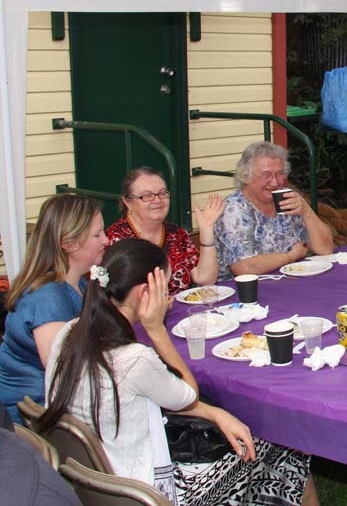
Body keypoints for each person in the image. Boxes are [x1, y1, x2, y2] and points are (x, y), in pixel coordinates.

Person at [41, 239, 318, 506]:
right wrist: (156, 330)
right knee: (285, 447)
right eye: (164, 288)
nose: (169, 296)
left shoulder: (69, 332)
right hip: (151, 491)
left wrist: (213, 412)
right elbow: (187, 395)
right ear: (143, 294)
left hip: (99, 481)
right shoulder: (133, 359)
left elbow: (163, 396)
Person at [0, 194, 108, 424]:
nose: (106, 240)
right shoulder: (48, 298)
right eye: (97, 234)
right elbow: (62, 373)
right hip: (34, 416)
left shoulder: (76, 283)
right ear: (68, 244)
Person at [216, 142, 335, 280]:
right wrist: (290, 257)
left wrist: (306, 212)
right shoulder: (234, 209)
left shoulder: (285, 199)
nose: (274, 182)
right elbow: (244, 268)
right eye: (266, 175)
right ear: (245, 176)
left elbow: (325, 250)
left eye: (280, 174)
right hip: (242, 293)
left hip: (287, 284)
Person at [106, 167, 223, 295]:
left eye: (162, 193)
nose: (157, 200)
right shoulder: (115, 239)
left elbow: (205, 279)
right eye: (147, 195)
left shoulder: (177, 234)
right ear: (127, 202)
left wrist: (206, 231)